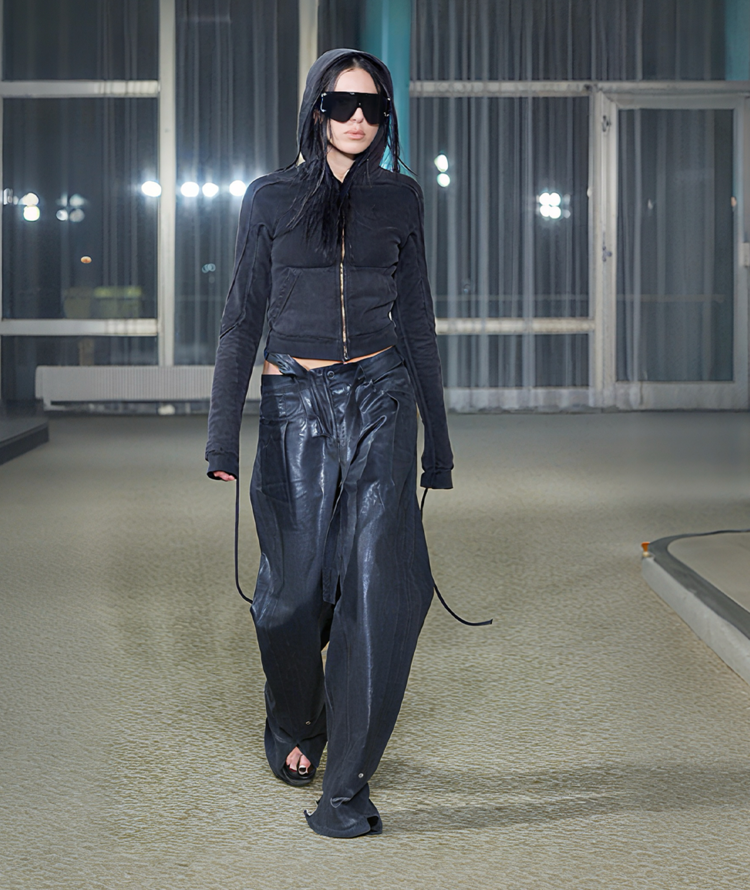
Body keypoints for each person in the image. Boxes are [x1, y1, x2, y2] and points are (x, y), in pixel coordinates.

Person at [205, 48, 453, 838]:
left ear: (386, 116)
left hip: (382, 394)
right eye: (342, 103)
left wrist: (439, 441)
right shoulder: (270, 197)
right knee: (292, 596)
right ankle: (295, 717)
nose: (357, 119)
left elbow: (417, 317)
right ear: (316, 108)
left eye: (373, 106)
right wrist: (221, 436)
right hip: (294, 401)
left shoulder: (401, 199)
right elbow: (242, 317)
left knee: (380, 589)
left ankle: (345, 785)